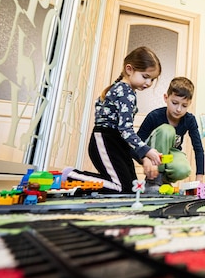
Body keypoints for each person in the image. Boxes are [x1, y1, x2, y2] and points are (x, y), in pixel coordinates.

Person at [63, 46, 163, 193]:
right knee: (122, 188)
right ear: (129, 69)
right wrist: (147, 151)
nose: (148, 83)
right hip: (105, 141)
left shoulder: (124, 91)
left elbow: (123, 134)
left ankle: (79, 180)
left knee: (131, 190)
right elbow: (125, 130)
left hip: (116, 143)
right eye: (145, 77)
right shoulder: (125, 92)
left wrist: (143, 157)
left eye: (152, 79)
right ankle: (71, 175)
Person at [137, 76, 204, 192]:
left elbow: (198, 148)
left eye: (184, 106)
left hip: (170, 154)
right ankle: (153, 181)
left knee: (184, 169)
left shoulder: (190, 120)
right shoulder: (154, 116)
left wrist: (200, 178)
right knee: (167, 130)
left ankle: (164, 181)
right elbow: (135, 144)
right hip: (151, 152)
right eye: (174, 103)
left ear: (189, 104)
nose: (179, 109)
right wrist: (144, 159)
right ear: (166, 98)